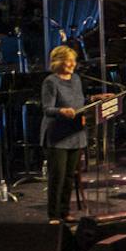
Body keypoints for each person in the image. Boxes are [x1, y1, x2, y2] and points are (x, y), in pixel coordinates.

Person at [39, 43, 89, 222]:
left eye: (73, 61)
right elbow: (47, 109)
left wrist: (96, 99)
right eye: (68, 62)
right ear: (58, 62)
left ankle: (65, 211)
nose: (72, 65)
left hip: (75, 134)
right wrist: (62, 111)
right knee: (57, 177)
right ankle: (53, 214)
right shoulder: (51, 82)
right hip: (57, 136)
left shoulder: (76, 79)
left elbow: (80, 101)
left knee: (70, 176)